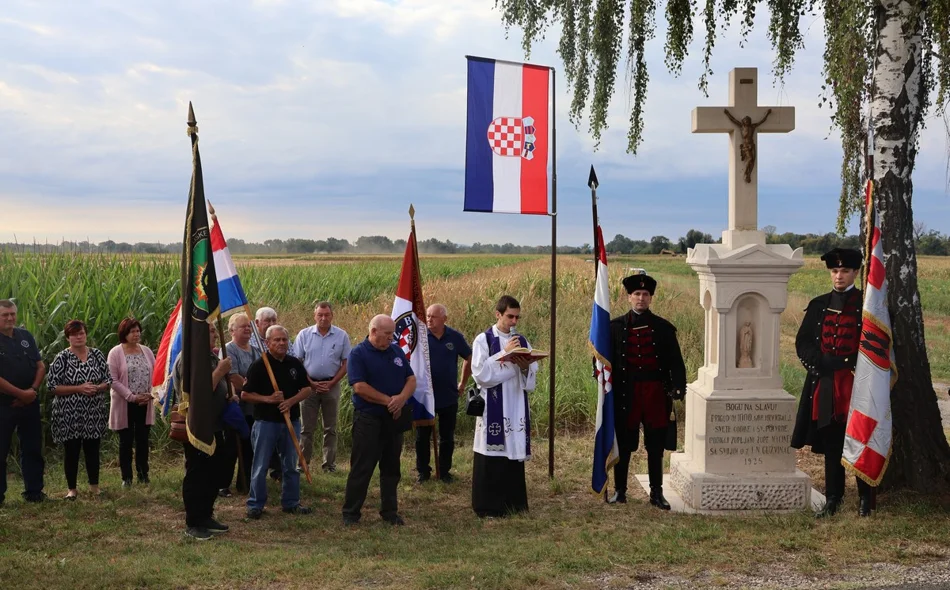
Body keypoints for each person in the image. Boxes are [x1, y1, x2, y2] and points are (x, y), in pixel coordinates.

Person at [791, 247, 873, 518]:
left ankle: (866, 499)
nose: (839, 276)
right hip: (825, 382)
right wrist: (818, 361)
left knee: (861, 438)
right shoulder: (818, 305)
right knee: (831, 441)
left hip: (855, 382)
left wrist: (853, 365)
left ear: (856, 272)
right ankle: (833, 499)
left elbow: (877, 346)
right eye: (835, 271)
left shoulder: (867, 306)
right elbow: (802, 342)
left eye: (845, 271)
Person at [607, 274, 686, 510]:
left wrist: (677, 388)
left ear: (651, 298)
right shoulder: (615, 327)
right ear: (629, 297)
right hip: (626, 394)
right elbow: (603, 358)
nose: (641, 298)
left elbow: (676, 362)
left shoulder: (663, 328)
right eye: (637, 294)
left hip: (655, 394)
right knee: (624, 442)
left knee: (655, 445)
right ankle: (620, 491)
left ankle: (656, 493)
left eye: (645, 294)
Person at [342, 315, 416, 526]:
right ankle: (351, 513)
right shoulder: (358, 354)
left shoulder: (395, 351)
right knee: (362, 467)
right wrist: (388, 401)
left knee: (392, 467)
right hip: (369, 419)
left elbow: (411, 379)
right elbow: (359, 387)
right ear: (374, 332)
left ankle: (390, 512)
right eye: (387, 334)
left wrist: (401, 399)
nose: (391, 338)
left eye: (392, 334)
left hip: (394, 419)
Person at [470, 295, 538, 518]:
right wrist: (504, 354)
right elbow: (481, 375)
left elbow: (531, 379)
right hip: (494, 406)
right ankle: (488, 506)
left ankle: (513, 503)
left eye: (517, 317)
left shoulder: (523, 341)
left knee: (512, 453)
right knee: (492, 454)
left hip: (516, 403)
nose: (514, 322)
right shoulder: (483, 340)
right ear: (497, 314)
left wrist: (526, 367)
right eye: (510, 316)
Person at [242, 325, 313, 520]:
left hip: (291, 421)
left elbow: (307, 389)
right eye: (277, 340)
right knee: (261, 465)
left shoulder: (294, 364)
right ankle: (255, 504)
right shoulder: (259, 365)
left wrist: (290, 401)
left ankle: (291, 502)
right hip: (266, 422)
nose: (281, 343)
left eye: (284, 340)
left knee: (290, 464)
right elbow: (245, 394)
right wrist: (269, 399)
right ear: (267, 343)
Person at [174, 323, 234, 540]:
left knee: (212, 474)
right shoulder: (190, 359)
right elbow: (199, 392)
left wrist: (229, 395)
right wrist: (220, 371)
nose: (215, 335)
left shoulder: (210, 357)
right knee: (197, 474)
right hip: (197, 427)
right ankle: (194, 521)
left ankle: (206, 515)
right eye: (210, 331)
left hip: (216, 424)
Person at [47, 319, 112, 500]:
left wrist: (98, 388)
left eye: (81, 333)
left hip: (93, 410)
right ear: (68, 337)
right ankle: (72, 490)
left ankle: (94, 486)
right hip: (69, 413)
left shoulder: (97, 354)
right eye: (74, 334)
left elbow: (108, 380)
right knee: (72, 451)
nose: (78, 336)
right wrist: (79, 388)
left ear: (86, 334)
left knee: (93, 449)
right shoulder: (62, 358)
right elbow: (52, 386)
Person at [417, 303, 472, 483]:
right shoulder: (420, 337)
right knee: (422, 436)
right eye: (428, 316)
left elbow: (469, 358)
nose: (429, 319)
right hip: (425, 396)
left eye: (433, 316)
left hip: (448, 395)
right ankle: (423, 472)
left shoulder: (454, 337)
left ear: (444, 319)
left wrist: (462, 383)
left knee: (447, 437)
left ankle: (444, 471)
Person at [293, 302, 351, 473]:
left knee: (330, 428)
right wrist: (310, 382)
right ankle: (303, 464)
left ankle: (329, 465)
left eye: (327, 315)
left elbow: (347, 362)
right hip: (308, 387)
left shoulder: (341, 336)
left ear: (332, 316)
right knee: (306, 429)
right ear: (314, 315)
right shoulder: (304, 335)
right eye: (320, 315)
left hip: (331, 385)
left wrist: (332, 383)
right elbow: (297, 362)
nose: (323, 318)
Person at [0, 299, 46, 506]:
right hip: (4, 405)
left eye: (12, 314)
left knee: (33, 448)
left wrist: (32, 391)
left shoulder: (25, 336)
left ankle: (34, 492)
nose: (10, 318)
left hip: (30, 402)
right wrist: (20, 393)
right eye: (4, 315)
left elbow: (40, 366)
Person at [107, 318, 156, 488]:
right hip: (125, 403)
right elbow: (112, 380)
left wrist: (150, 394)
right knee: (126, 441)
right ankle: (126, 477)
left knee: (143, 440)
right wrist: (131, 396)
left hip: (145, 402)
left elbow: (155, 374)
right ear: (124, 334)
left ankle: (144, 474)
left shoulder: (147, 351)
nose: (136, 335)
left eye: (138, 331)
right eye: (132, 331)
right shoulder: (115, 352)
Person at [223, 312, 261, 495]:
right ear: (232, 330)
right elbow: (234, 377)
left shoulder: (256, 351)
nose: (247, 329)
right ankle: (223, 484)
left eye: (248, 326)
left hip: (254, 407)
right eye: (242, 326)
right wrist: (254, 388)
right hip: (235, 407)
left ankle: (245, 483)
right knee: (231, 447)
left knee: (250, 446)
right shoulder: (229, 349)